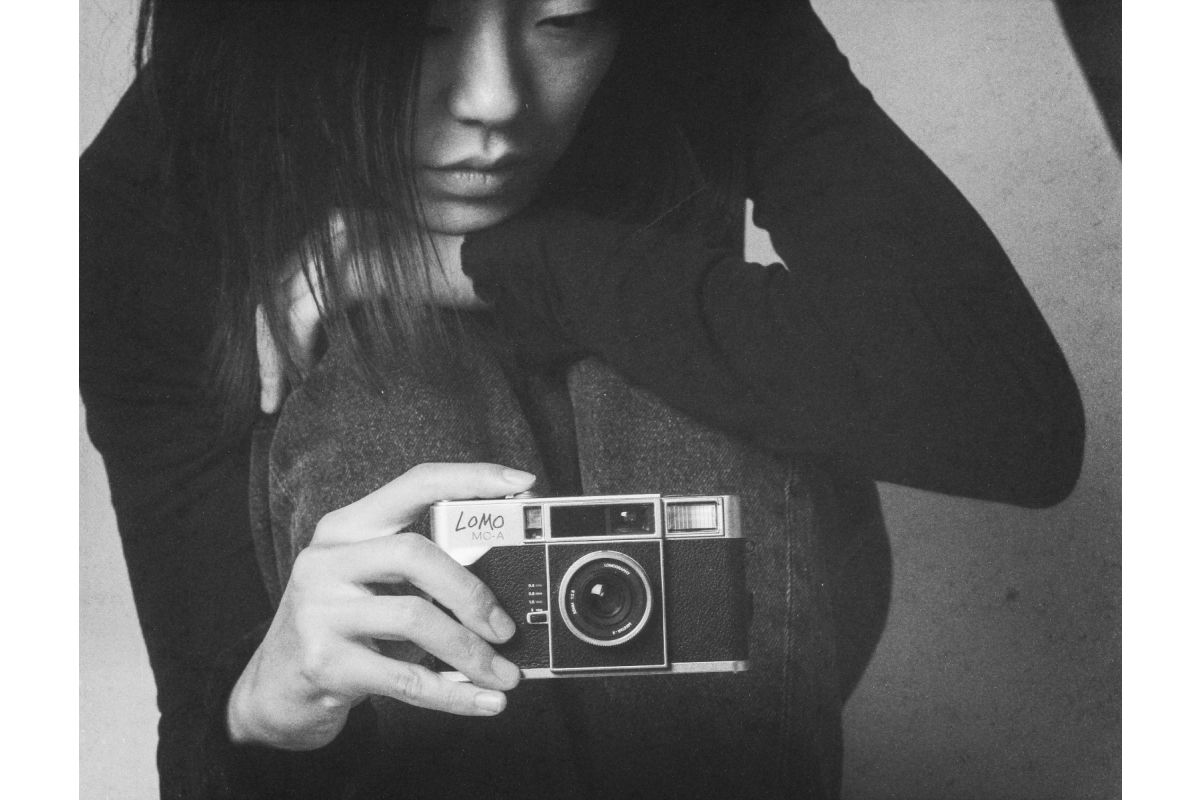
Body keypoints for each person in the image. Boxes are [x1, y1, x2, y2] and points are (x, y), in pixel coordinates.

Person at [79, 1, 1085, 797]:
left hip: (744, 639)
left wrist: (480, 262)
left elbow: (1012, 418)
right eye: (419, 28)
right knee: (384, 394)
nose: (495, 102)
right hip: (403, 734)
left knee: (666, 390)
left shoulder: (698, 19)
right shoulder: (154, 192)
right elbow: (204, 737)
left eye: (568, 21)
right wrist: (263, 706)